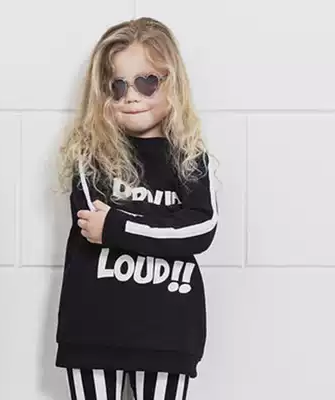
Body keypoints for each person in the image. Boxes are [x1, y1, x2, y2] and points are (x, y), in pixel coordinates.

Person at [55, 16, 220, 400]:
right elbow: (90, 223)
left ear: (172, 84)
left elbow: (200, 230)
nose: (131, 96)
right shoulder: (90, 155)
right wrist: (167, 225)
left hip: (169, 334)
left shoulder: (191, 159)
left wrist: (118, 227)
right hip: (92, 331)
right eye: (117, 86)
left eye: (147, 82)